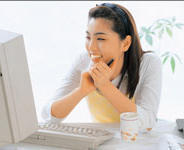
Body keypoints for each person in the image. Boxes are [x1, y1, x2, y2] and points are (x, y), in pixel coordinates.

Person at [42, 3, 162, 131]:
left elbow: (147, 121)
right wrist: (81, 91)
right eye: (88, 37)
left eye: (101, 39)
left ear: (126, 43)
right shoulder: (84, 61)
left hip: (139, 140)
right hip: (104, 140)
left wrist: (105, 86)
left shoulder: (149, 63)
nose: (91, 47)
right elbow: (49, 117)